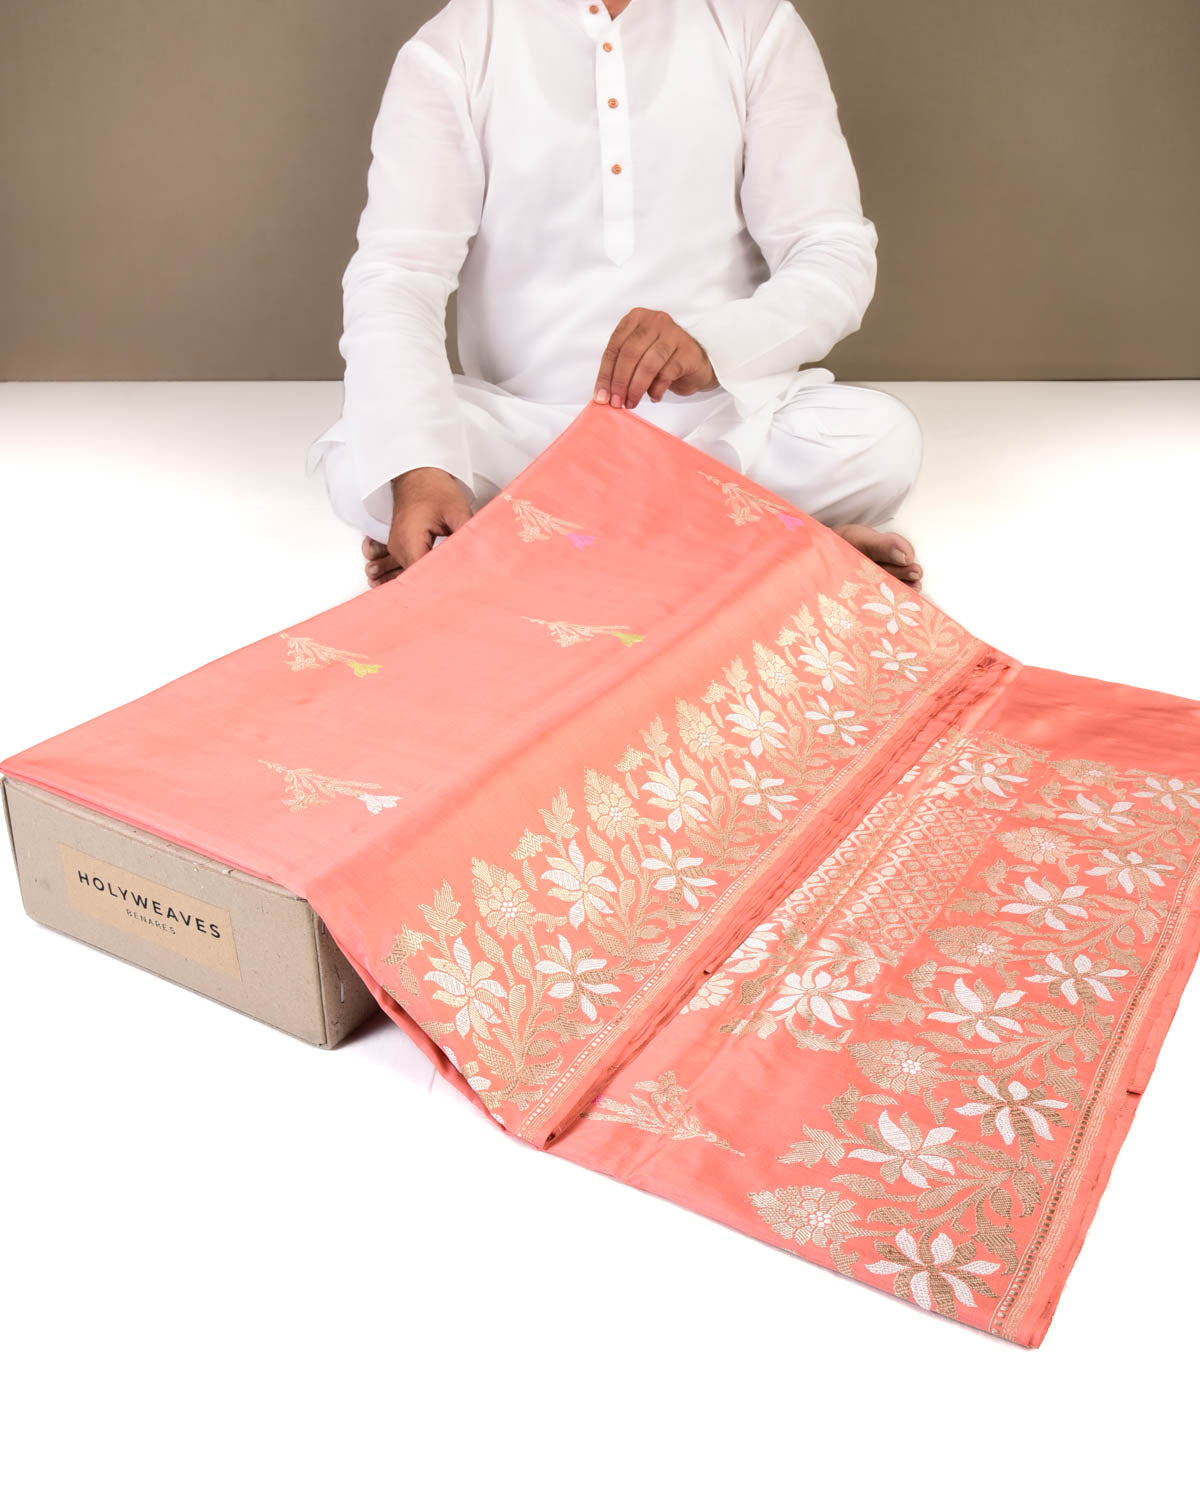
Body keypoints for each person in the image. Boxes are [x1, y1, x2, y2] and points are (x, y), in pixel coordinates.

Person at [305, 0, 925, 593]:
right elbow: (398, 273)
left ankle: (510, 546)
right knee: (363, 455)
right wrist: (420, 473)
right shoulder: (455, 46)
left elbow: (831, 249)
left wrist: (714, 346)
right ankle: (777, 544)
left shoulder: (756, 25)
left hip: (718, 428)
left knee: (880, 443)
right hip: (530, 431)